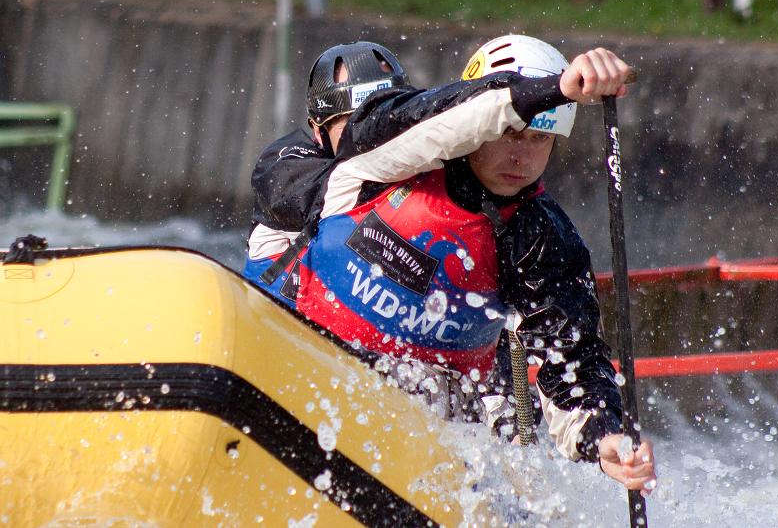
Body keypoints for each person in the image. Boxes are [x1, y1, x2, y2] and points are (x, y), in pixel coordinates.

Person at [247, 36, 656, 493]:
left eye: (539, 138)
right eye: (509, 133)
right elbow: (437, 119)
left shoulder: (542, 240)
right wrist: (557, 87)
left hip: (428, 407)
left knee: (502, 408)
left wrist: (605, 436)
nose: (521, 156)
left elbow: (572, 362)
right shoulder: (381, 157)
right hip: (300, 361)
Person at [243, 41, 409, 306]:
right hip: (279, 327)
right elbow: (318, 191)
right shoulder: (287, 164)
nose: (376, 134)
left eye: (387, 117)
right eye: (357, 122)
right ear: (319, 132)